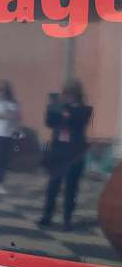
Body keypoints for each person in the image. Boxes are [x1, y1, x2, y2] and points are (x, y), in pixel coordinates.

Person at [39, 80, 93, 230]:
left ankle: (67, 219)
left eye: (70, 94)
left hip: (75, 153)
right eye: (66, 93)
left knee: (71, 188)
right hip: (58, 150)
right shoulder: (60, 107)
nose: (68, 96)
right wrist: (54, 108)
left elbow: (78, 121)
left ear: (77, 94)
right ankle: (47, 216)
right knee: (53, 185)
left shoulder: (84, 109)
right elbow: (49, 122)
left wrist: (66, 111)